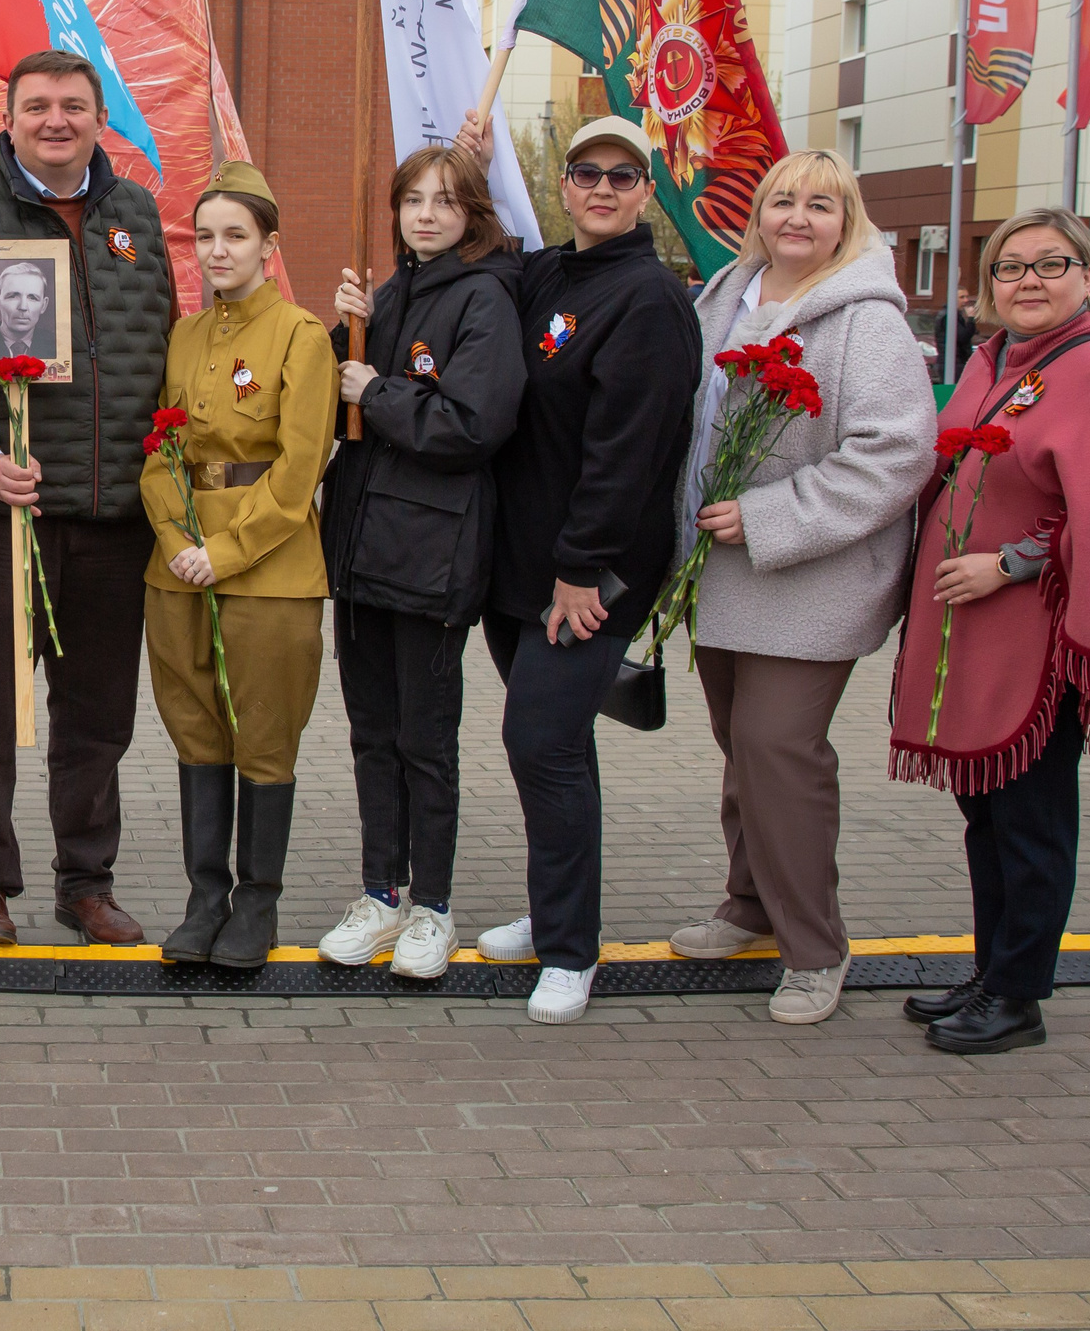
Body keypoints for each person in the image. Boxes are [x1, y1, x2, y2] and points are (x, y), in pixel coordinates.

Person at [0, 49, 175, 946]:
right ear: (9, 117)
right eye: (38, 106)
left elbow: (165, 348)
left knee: (97, 715)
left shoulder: (136, 214)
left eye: (75, 106)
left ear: (100, 118)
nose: (57, 120)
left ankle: (85, 881)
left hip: (112, 514)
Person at [889, 208, 1090, 1055]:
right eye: (1011, 268)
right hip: (967, 635)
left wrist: (1010, 564)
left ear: (1088, 276)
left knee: (1032, 818)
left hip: (1038, 635)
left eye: (1051, 264)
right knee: (986, 812)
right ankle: (989, 970)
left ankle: (1019, 994)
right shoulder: (991, 363)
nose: (1029, 281)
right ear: (987, 288)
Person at [668, 152, 935, 1024]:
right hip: (720, 576)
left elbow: (896, 453)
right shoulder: (724, 299)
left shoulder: (866, 322)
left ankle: (815, 947)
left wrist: (773, 515)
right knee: (743, 752)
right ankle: (749, 905)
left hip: (806, 579)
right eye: (783, 199)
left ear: (847, 220)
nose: (798, 216)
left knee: (780, 753)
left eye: (821, 204)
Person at [476, 116, 700, 1025]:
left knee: (540, 742)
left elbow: (628, 452)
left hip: (587, 573)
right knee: (560, 750)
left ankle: (571, 951)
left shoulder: (649, 297)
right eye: (585, 173)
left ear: (646, 191)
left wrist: (583, 570)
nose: (602, 188)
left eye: (623, 175)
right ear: (563, 186)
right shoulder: (541, 276)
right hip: (517, 567)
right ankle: (555, 910)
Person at [314, 144, 524, 979]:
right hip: (361, 554)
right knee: (373, 735)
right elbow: (334, 392)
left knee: (424, 741)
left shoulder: (485, 299)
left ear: (471, 211)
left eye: (445, 200)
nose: (426, 214)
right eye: (412, 200)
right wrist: (346, 327)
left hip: (433, 556)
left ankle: (432, 906)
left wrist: (378, 392)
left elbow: (471, 421)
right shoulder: (393, 294)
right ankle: (380, 893)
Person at [140, 161, 333, 969]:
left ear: (267, 244)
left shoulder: (301, 335)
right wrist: (179, 540)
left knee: (262, 735)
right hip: (177, 564)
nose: (217, 252)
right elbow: (160, 447)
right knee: (196, 731)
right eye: (206, 236)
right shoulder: (184, 334)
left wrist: (223, 551)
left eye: (235, 236)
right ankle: (203, 897)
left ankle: (257, 902)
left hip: (270, 567)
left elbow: (298, 468)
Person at [0, 261, 57, 362]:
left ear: (44, 305)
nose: (23, 307)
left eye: (32, 298)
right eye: (13, 296)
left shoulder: (57, 345)